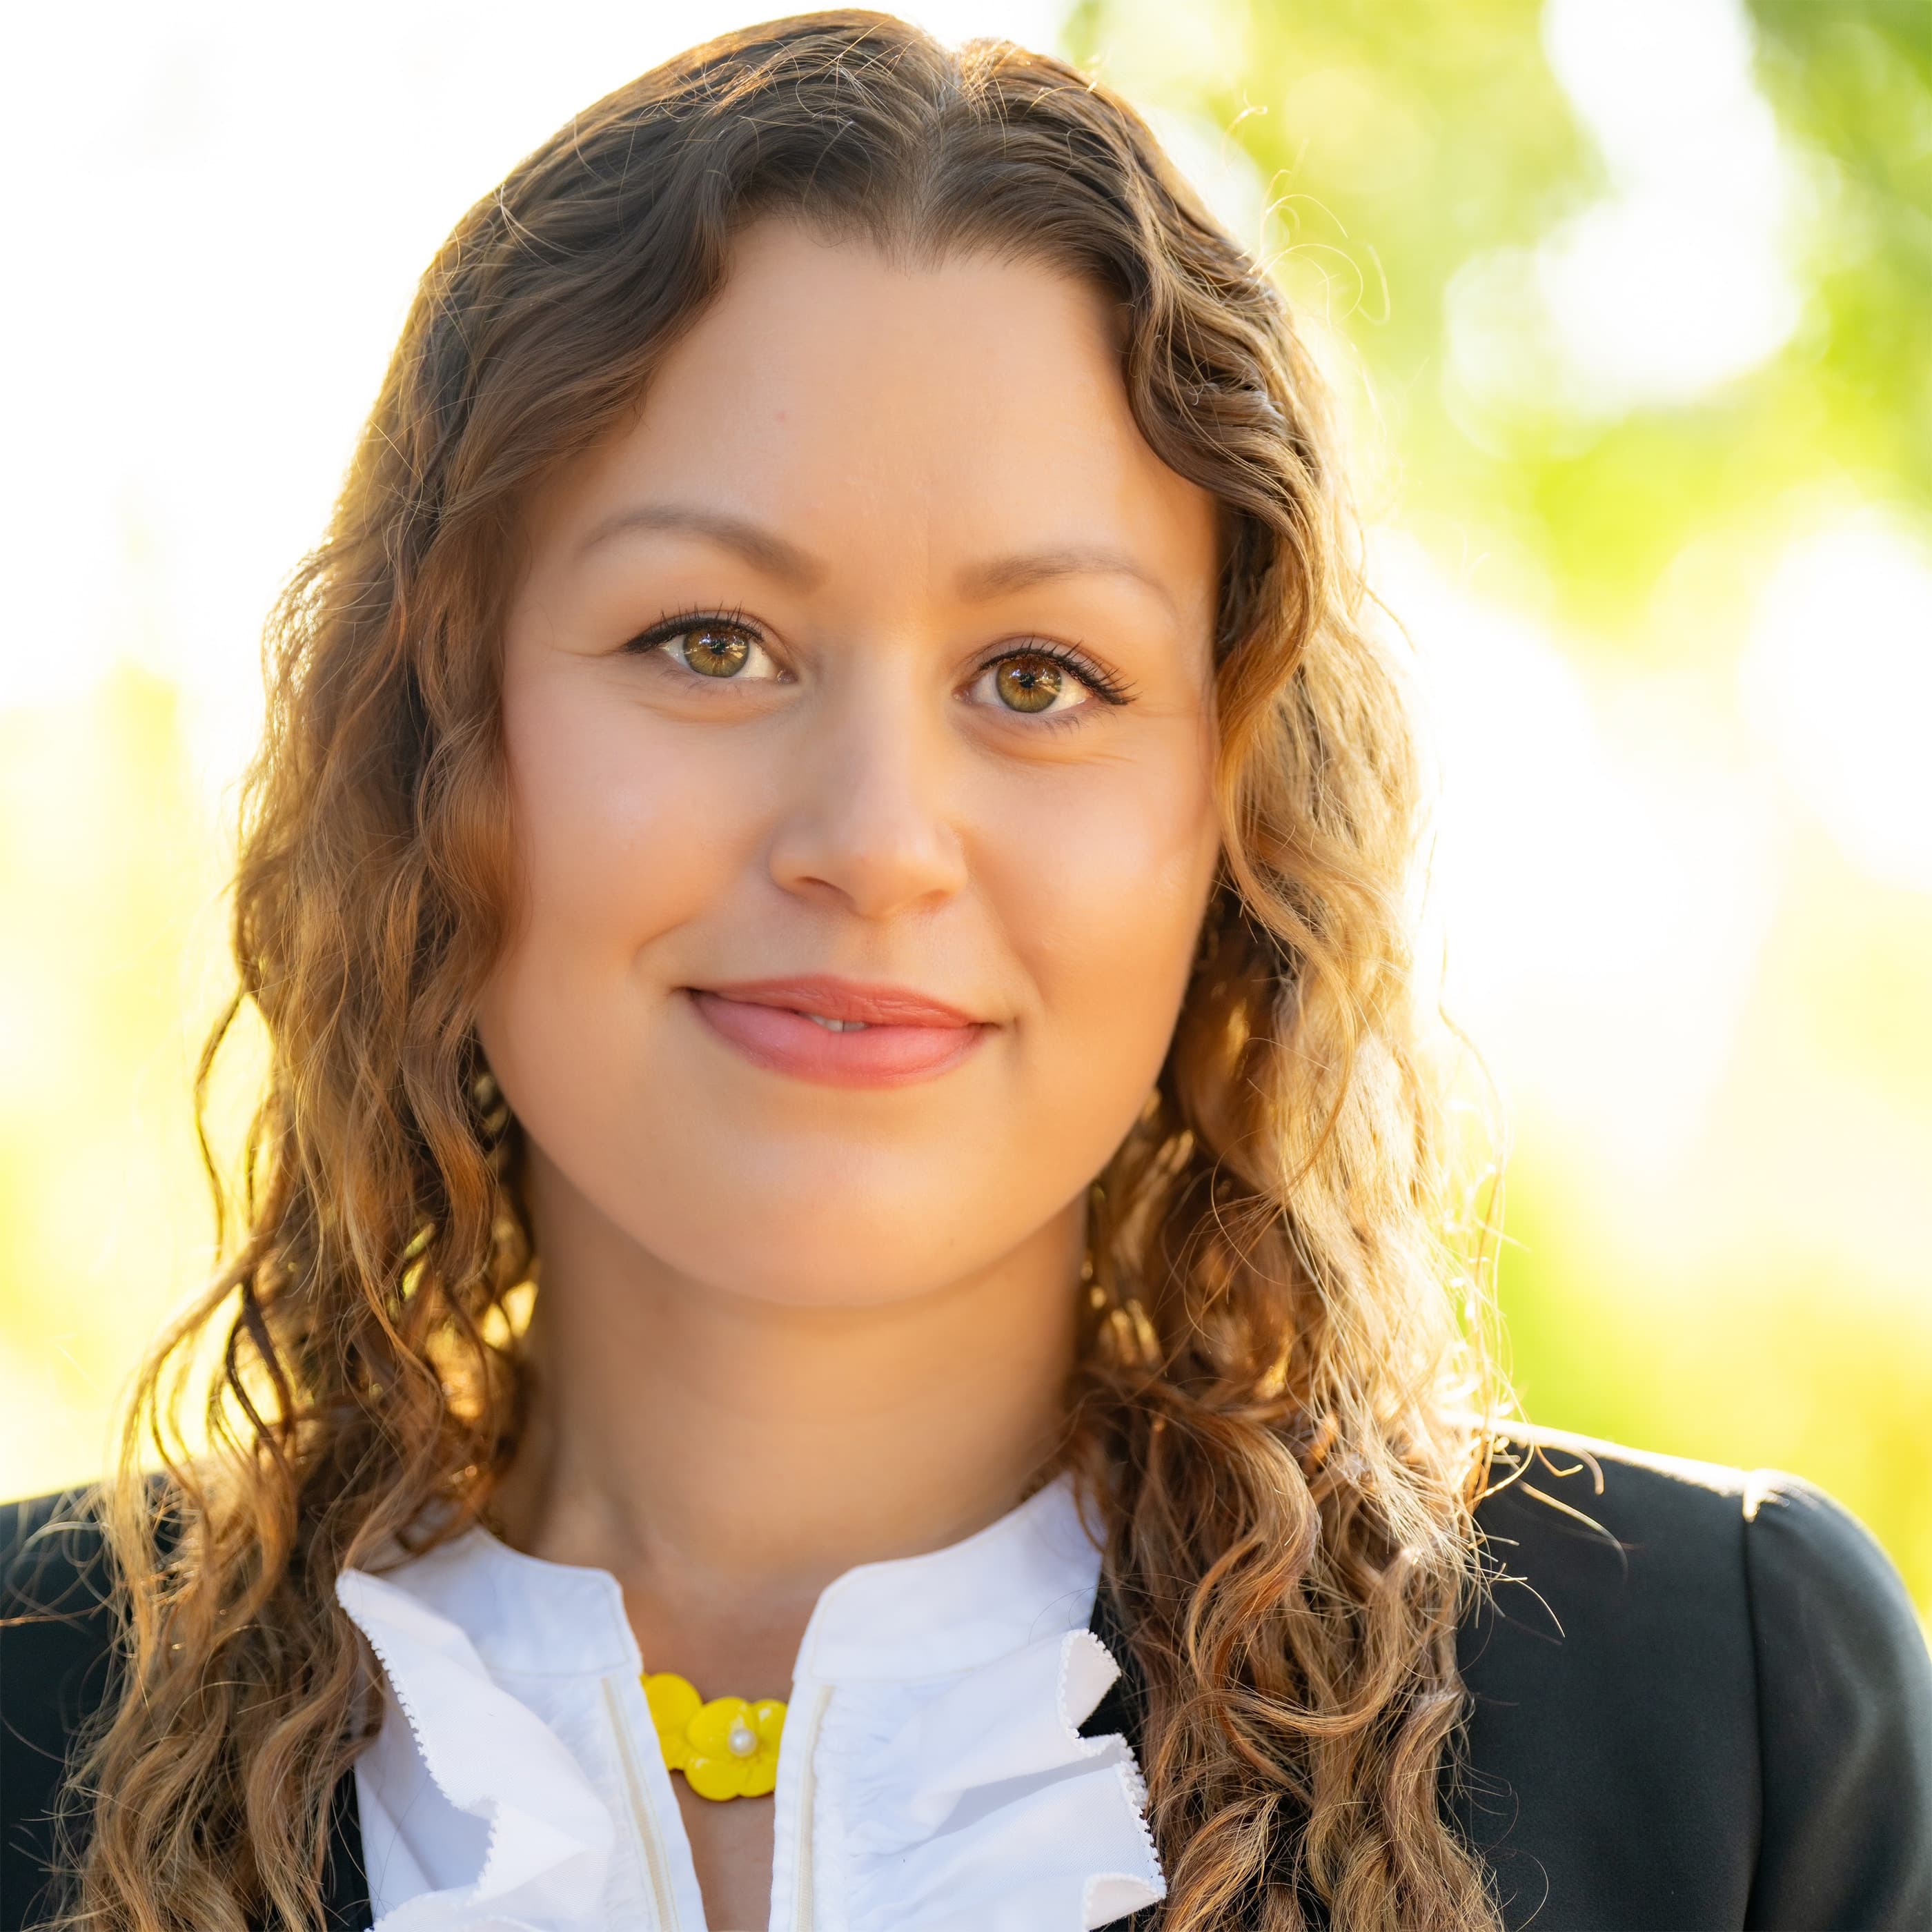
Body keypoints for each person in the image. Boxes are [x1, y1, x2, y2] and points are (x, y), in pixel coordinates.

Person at [3, 12, 1929, 1931]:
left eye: (1040, 679)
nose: (875, 837)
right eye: (710, 641)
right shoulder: (30, 1713)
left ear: (1232, 826)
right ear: (443, 744)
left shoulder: (1712, 1715)